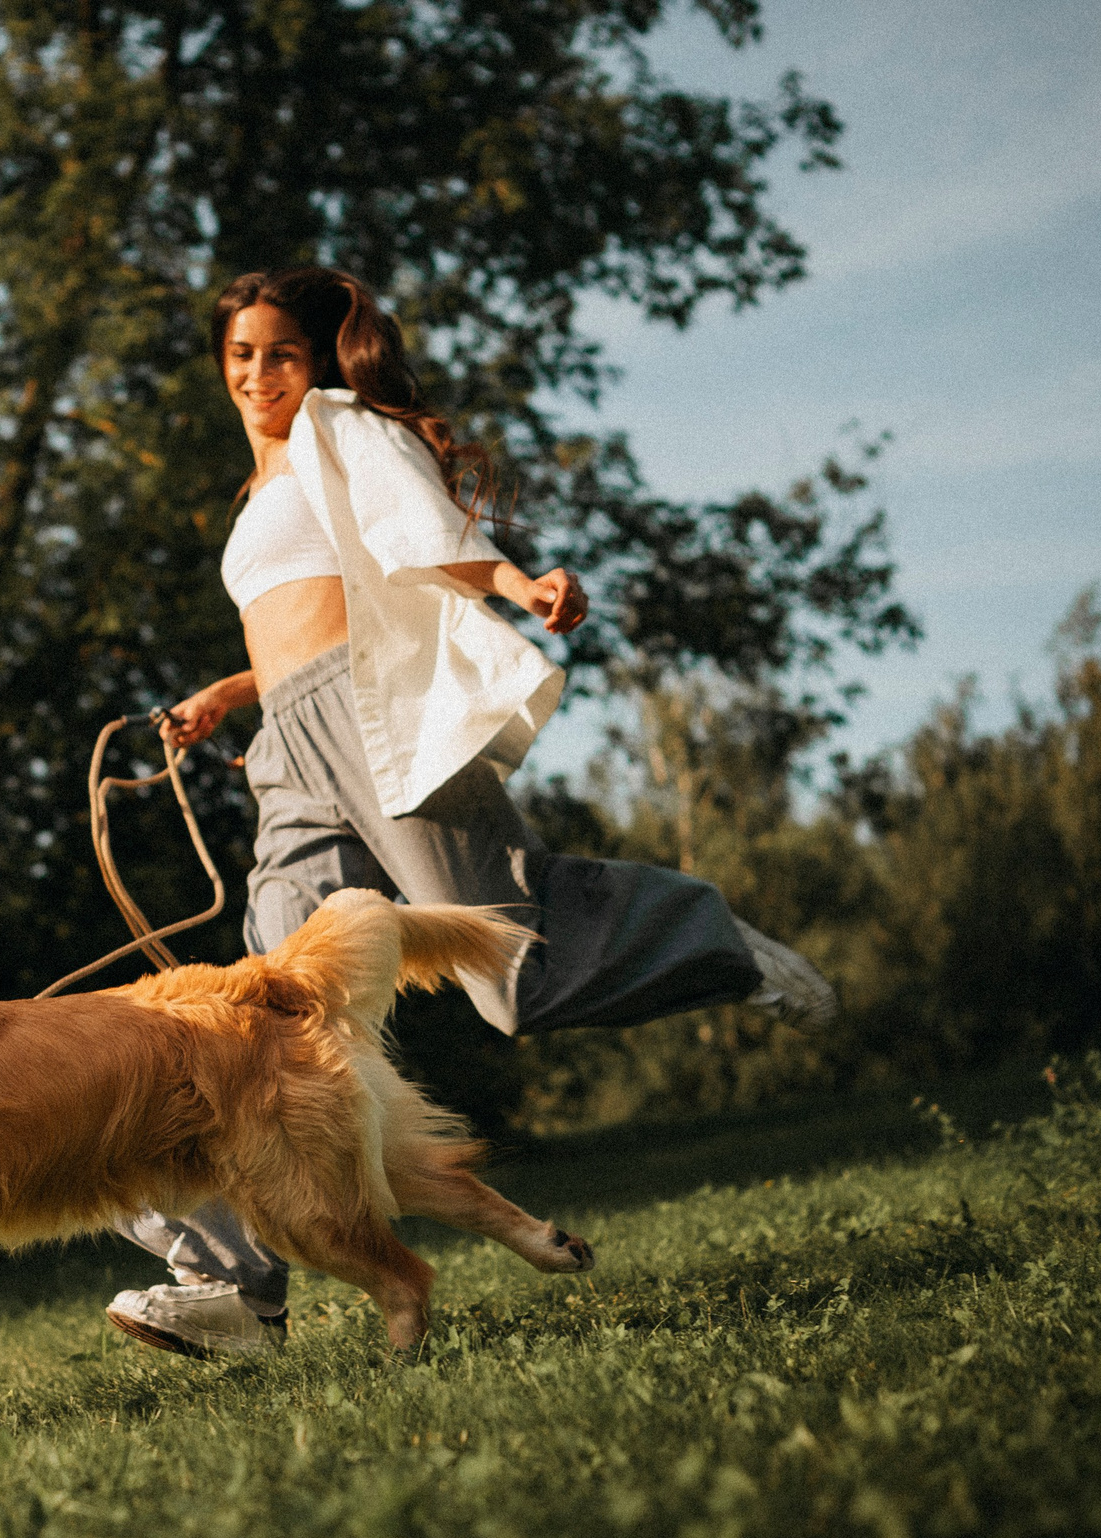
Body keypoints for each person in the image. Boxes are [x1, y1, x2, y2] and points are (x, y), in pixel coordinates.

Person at [103, 266, 835, 1359]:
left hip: (370, 713)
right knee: (263, 1020)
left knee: (513, 965)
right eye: (240, 354)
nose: (258, 374)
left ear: (317, 359)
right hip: (290, 746)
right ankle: (231, 1287)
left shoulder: (341, 426)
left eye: (281, 353)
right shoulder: (257, 493)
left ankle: (710, 937)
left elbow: (420, 532)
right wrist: (228, 694)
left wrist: (516, 584)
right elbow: (304, 611)